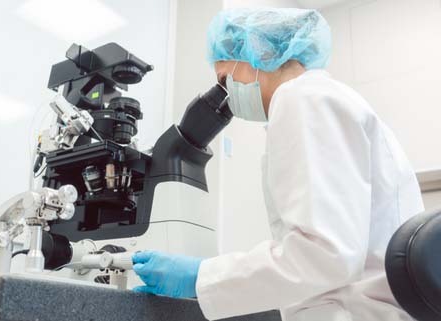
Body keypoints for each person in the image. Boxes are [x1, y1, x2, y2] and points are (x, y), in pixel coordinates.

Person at [131, 7, 424, 321]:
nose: (226, 93)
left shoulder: (300, 98)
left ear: (256, 52)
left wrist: (201, 276)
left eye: (224, 78)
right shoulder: (325, 98)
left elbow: (325, 255)